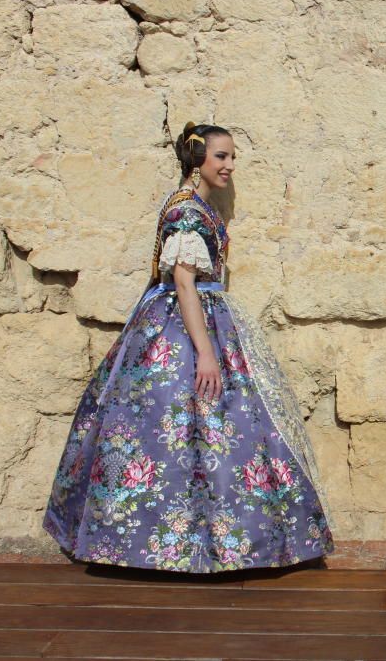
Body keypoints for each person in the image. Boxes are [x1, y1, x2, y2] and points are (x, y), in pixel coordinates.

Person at [44, 122, 333, 572]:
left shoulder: (196, 206)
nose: (229, 166)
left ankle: (208, 543)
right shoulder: (186, 212)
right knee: (181, 425)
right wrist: (204, 351)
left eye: (232, 157)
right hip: (183, 327)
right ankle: (169, 546)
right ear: (198, 160)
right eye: (221, 156)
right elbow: (183, 282)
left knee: (211, 433)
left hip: (199, 316)